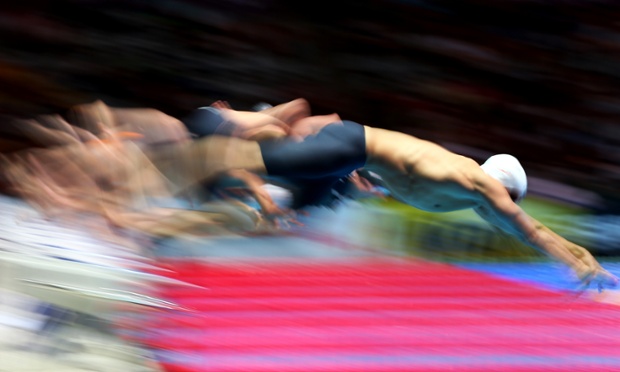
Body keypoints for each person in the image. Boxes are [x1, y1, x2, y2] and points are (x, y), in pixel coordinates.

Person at [178, 100, 618, 291]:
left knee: (291, 212)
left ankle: (215, 192)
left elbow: (525, 233)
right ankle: (215, 122)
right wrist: (580, 259)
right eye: (510, 203)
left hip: (348, 162)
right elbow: (533, 230)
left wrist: (361, 187)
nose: (505, 212)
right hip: (350, 146)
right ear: (505, 188)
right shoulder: (480, 186)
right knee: (259, 158)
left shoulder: (465, 192)